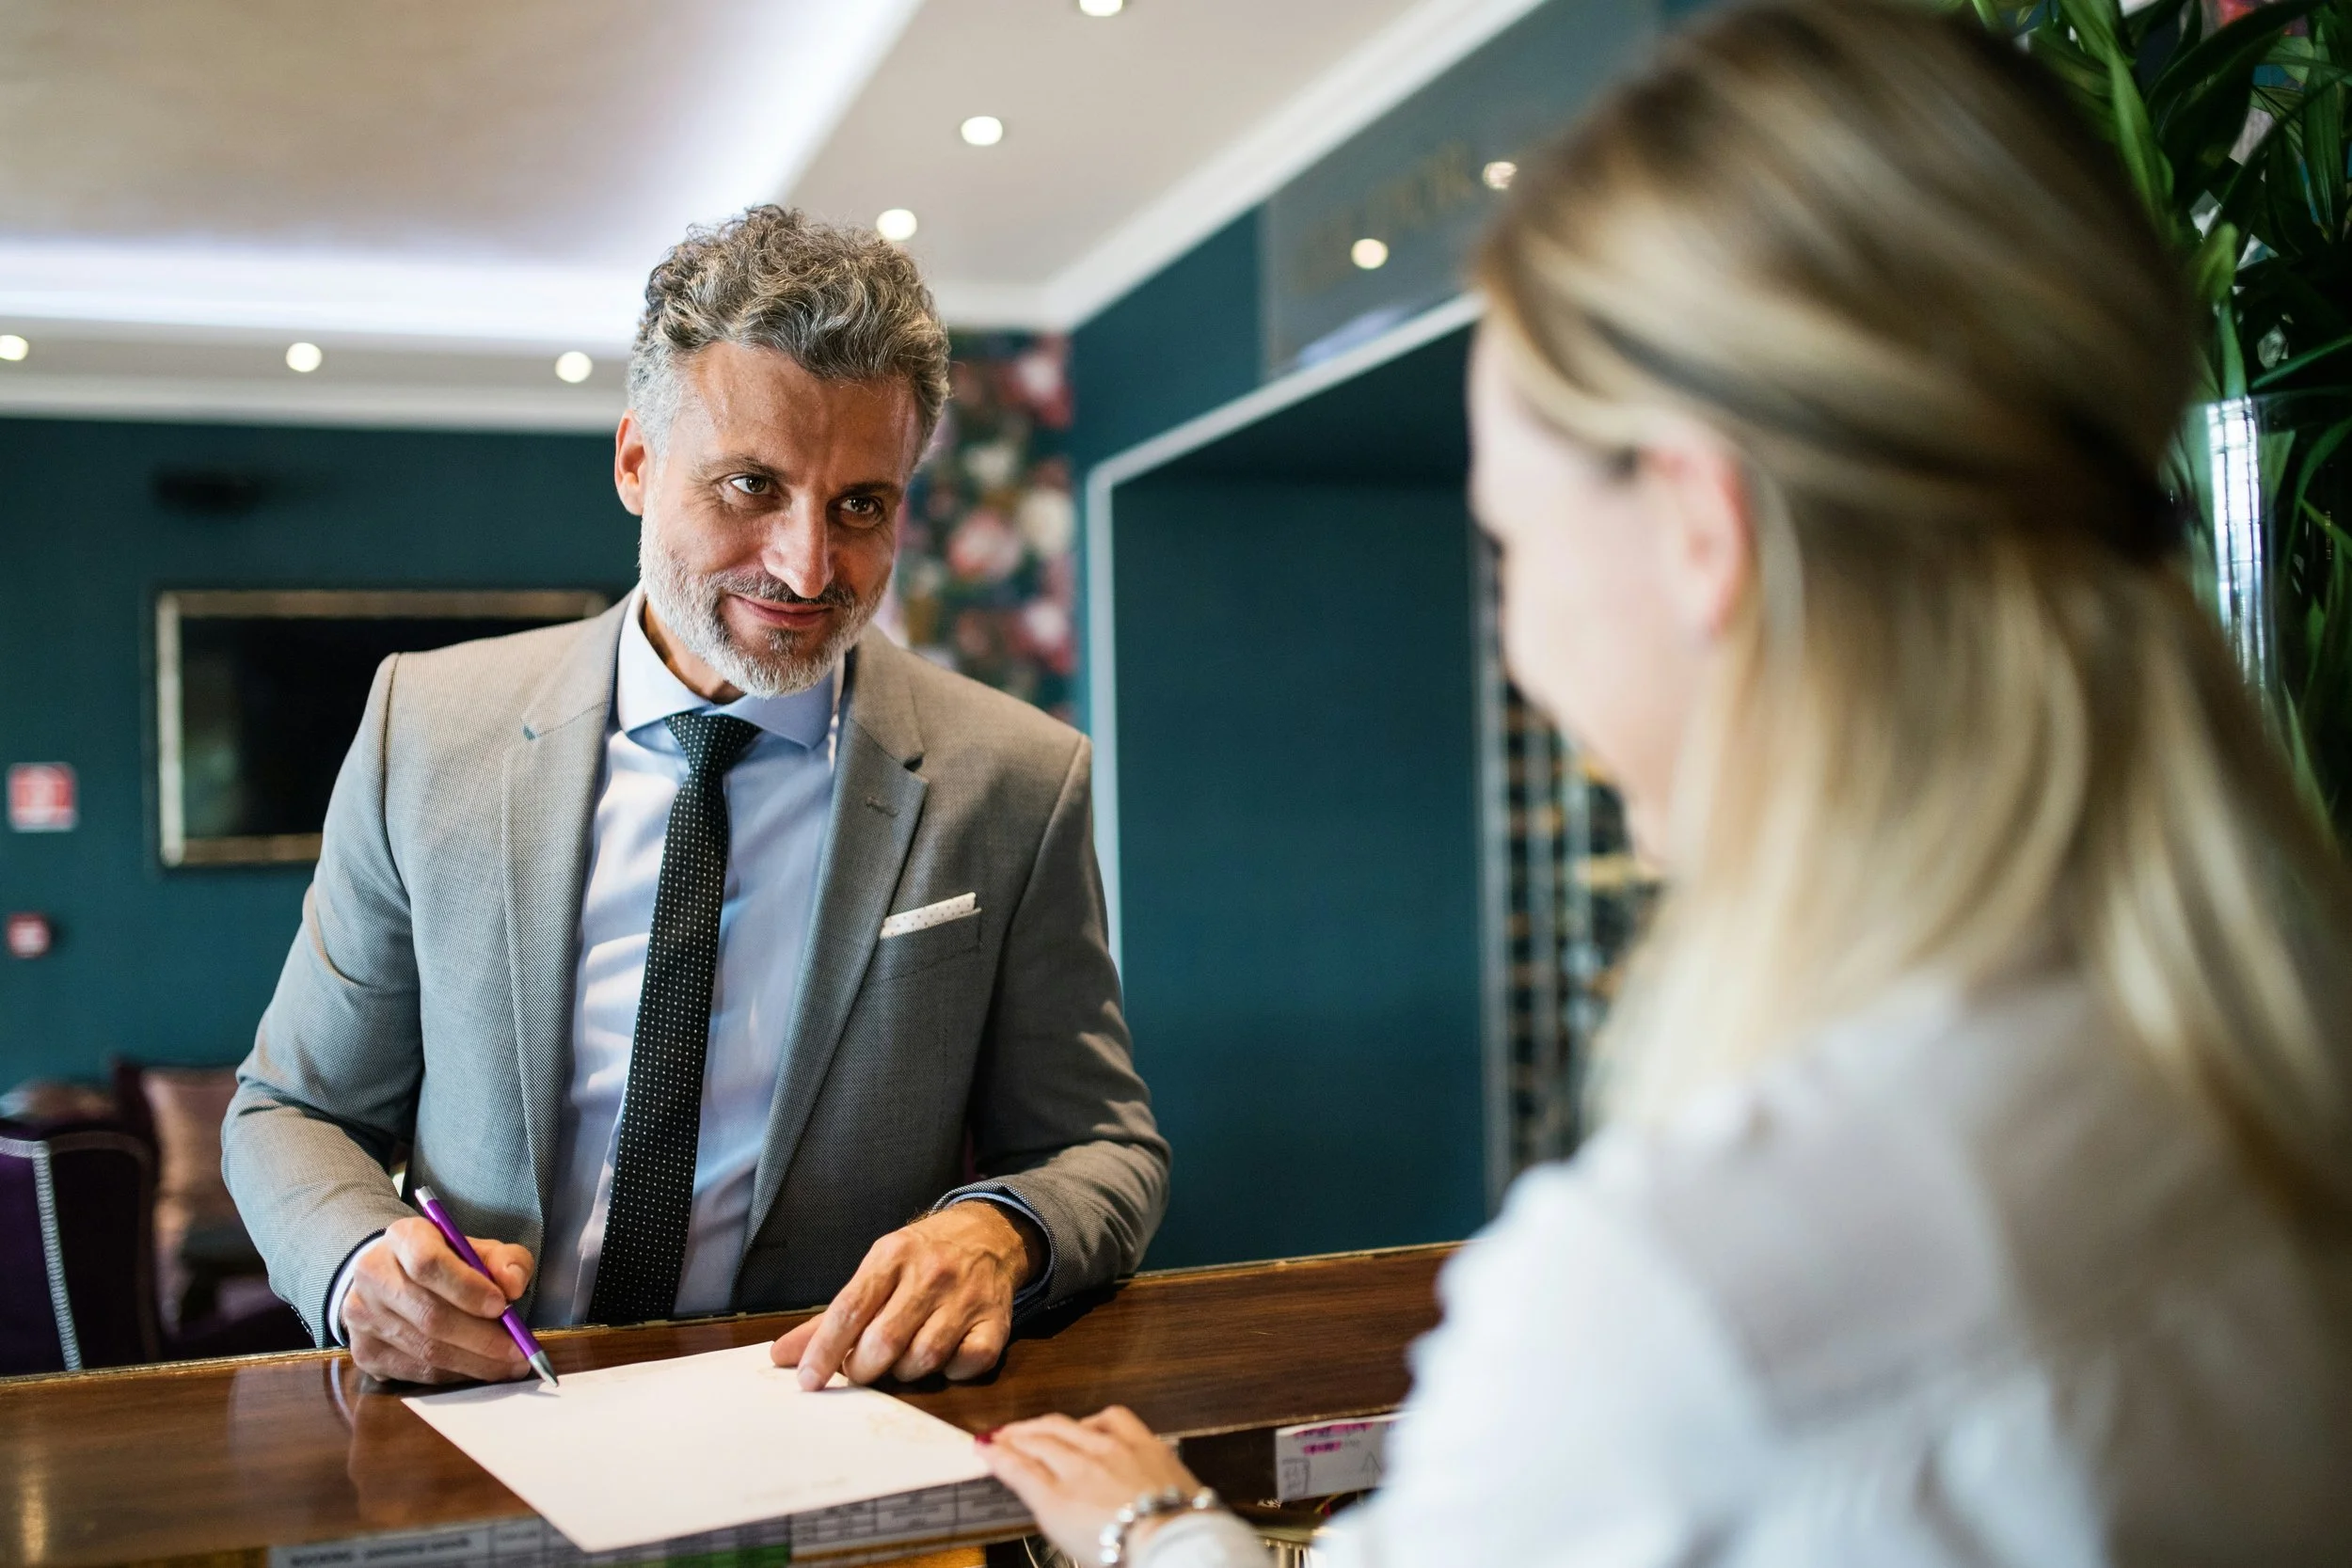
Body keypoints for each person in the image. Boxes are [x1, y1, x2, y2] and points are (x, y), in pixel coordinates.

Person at [976, 2, 2352, 1561]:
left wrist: (1155, 1531)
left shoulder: (1676, 1314)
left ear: (1703, 531)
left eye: (1512, 544)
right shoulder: (2284, 1087)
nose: (1522, 648)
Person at [223, 206, 1168, 1388]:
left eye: (861, 505)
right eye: (751, 486)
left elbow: (1100, 1147)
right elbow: (291, 1111)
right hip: (488, 1420)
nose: (806, 565)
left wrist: (1001, 1228)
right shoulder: (428, 728)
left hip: (826, 1430)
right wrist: (358, 1259)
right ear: (635, 462)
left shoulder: (1016, 778)